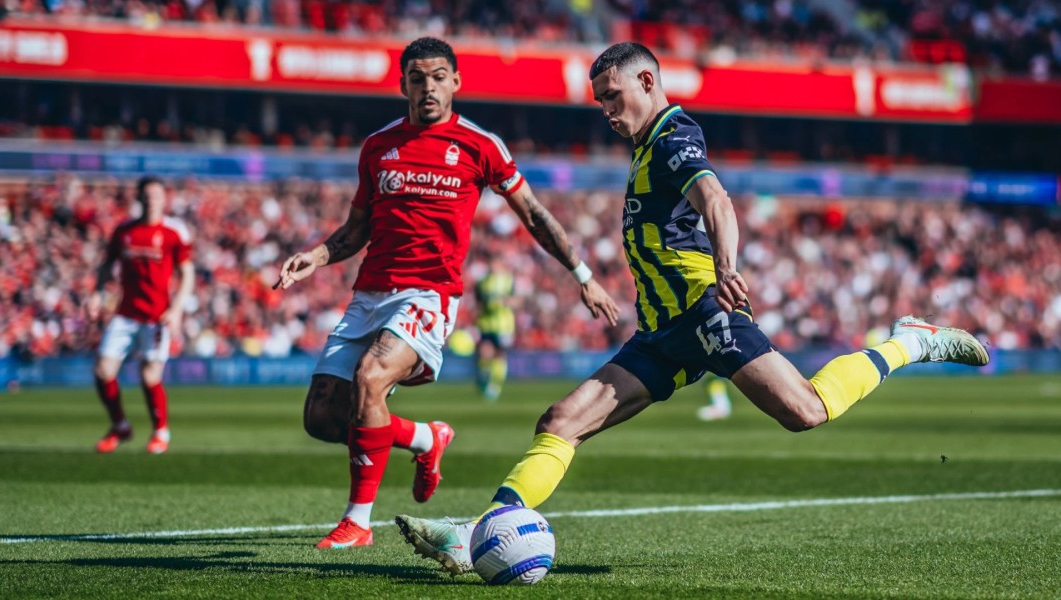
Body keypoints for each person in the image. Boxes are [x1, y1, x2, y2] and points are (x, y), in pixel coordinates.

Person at [394, 42, 990, 576]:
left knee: (805, 411)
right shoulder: (647, 145)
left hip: (705, 313)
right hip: (661, 332)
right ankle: (475, 534)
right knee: (560, 422)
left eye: (614, 95)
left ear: (649, 83)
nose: (606, 109)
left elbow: (716, 199)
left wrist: (728, 268)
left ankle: (910, 341)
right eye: (600, 99)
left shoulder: (675, 136)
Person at [275, 37, 620, 550]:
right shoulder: (378, 147)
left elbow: (534, 215)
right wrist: (317, 256)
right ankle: (424, 438)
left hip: (429, 294)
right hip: (370, 292)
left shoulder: (481, 146)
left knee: (371, 377)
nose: (428, 86)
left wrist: (583, 273)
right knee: (323, 418)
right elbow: (356, 229)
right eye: (417, 78)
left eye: (438, 76)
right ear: (403, 86)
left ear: (456, 82)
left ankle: (358, 521)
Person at [89, 175, 196, 455]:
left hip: (157, 316)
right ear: (139, 199)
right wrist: (97, 294)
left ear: (164, 199)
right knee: (103, 370)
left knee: (150, 375)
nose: (151, 201)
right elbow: (106, 265)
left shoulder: (175, 232)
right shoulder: (124, 230)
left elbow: (187, 273)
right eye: (146, 196)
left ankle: (161, 431)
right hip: (126, 314)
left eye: (157, 196)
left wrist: (176, 309)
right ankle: (120, 426)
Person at [474, 255, 516, 401]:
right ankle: (484, 378)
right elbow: (478, 303)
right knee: (484, 352)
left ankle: (495, 385)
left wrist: (504, 301)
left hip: (503, 325)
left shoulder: (507, 280)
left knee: (499, 355)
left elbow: (516, 301)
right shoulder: (482, 282)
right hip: (486, 323)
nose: (493, 266)